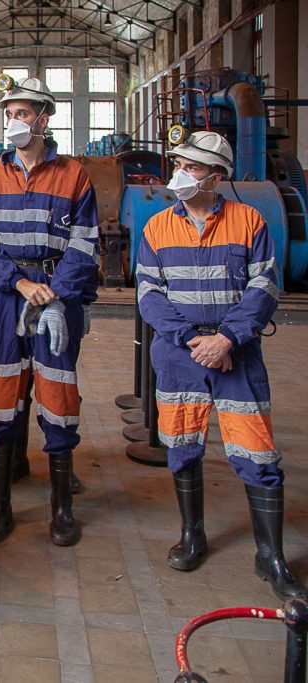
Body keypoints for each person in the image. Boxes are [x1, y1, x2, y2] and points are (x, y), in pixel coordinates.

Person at [136, 130, 305, 599]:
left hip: (238, 353)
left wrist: (227, 337)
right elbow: (149, 296)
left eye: (192, 167)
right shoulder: (156, 228)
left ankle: (269, 555)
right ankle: (193, 536)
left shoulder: (249, 221)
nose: (182, 174)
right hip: (179, 354)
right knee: (182, 445)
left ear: (217, 176)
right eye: (180, 164)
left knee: (257, 452)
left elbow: (265, 288)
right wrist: (194, 340)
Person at [0, 76, 99, 547]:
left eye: (23, 112)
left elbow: (84, 247)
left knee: (59, 395)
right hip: (5, 300)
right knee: (2, 396)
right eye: (9, 112)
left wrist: (57, 296)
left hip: (55, 298)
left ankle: (61, 508)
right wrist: (19, 282)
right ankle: (0, 504)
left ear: (45, 117)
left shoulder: (74, 175)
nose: (14, 121)